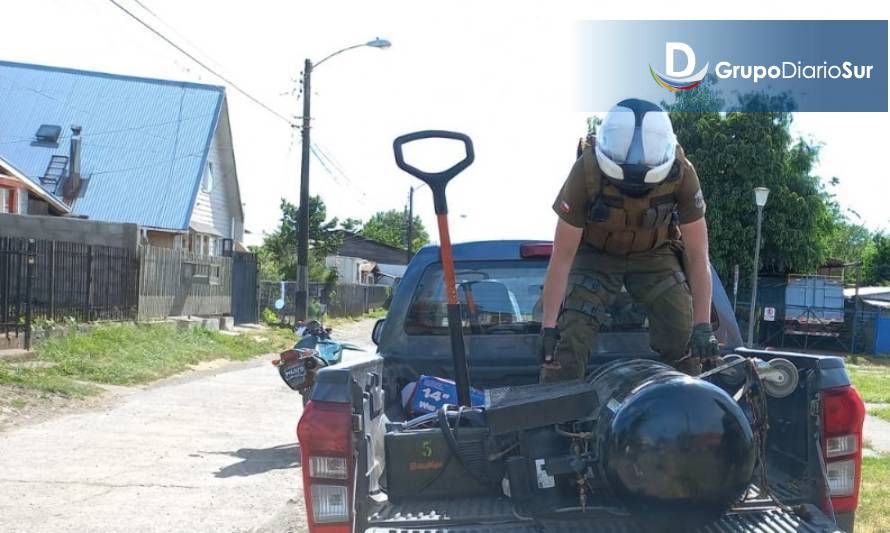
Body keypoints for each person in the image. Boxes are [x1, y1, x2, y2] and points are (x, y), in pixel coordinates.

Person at [539, 98, 719, 382]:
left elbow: (698, 256)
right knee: (568, 341)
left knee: (683, 336)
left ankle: (687, 414)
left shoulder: (682, 174)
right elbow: (561, 259)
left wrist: (702, 326)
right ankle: (555, 419)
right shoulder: (585, 173)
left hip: (655, 255)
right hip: (595, 256)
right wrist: (548, 327)